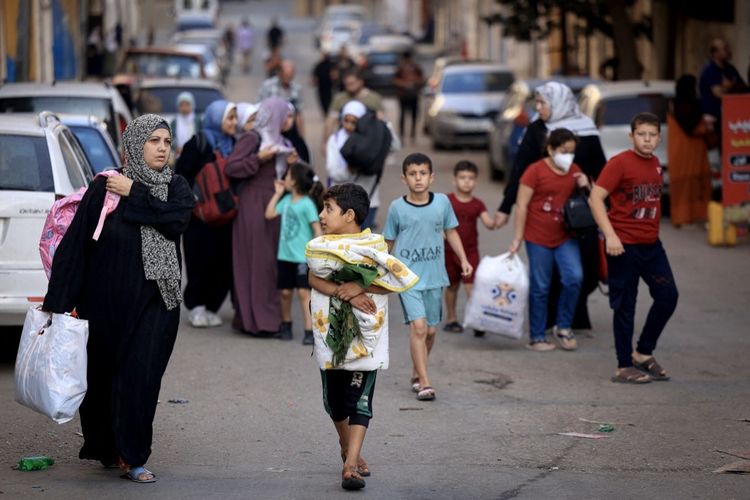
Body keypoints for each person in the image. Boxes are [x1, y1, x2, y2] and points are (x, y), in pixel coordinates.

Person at [43, 114, 194, 483]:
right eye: (154, 140)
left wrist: (135, 192)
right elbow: (76, 245)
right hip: (104, 304)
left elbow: (175, 220)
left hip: (157, 302)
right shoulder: (106, 186)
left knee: (141, 378)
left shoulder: (175, 187)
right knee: (103, 377)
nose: (162, 148)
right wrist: (57, 303)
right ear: (136, 144)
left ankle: (134, 454)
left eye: (166, 141)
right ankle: (108, 447)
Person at [306, 183, 417, 491]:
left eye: (329, 209)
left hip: (367, 337)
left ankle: (350, 465)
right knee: (334, 402)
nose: (322, 215)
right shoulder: (320, 248)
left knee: (360, 400)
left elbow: (391, 281)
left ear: (350, 215)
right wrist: (346, 293)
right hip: (331, 333)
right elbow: (313, 277)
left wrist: (362, 287)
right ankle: (346, 446)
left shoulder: (375, 248)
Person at [495, 81, 607, 332]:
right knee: (549, 272)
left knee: (587, 268)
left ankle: (574, 314)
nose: (538, 108)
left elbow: (602, 171)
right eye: (537, 102)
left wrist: (607, 205)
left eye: (543, 103)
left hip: (580, 211)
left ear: (560, 103)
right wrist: (505, 207)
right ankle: (550, 321)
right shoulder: (537, 129)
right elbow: (520, 170)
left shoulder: (586, 129)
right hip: (543, 209)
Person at [589, 112, 679, 384]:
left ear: (659, 138)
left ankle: (643, 352)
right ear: (632, 136)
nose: (647, 139)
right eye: (642, 134)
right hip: (623, 246)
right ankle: (623, 365)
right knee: (626, 306)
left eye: (652, 135)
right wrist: (610, 236)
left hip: (652, 246)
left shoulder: (656, 164)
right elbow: (595, 199)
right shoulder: (619, 163)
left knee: (668, 296)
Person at [383, 153, 473, 401]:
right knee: (419, 327)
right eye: (412, 174)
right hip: (407, 278)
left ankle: (416, 371)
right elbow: (388, 241)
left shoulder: (442, 203)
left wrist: (464, 259)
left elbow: (451, 232)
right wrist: (379, 271)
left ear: (431, 177)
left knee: (431, 331)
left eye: (423, 173)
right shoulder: (397, 208)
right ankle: (424, 382)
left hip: (434, 277)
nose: (418, 178)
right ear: (404, 179)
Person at [509, 129, 589, 351]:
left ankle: (563, 326)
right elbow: (522, 205)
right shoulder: (534, 171)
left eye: (571, 151)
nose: (568, 156)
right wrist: (518, 237)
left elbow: (591, 200)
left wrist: (586, 184)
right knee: (540, 286)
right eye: (564, 151)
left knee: (574, 277)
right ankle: (537, 336)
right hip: (537, 237)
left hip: (565, 235)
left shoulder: (575, 170)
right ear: (551, 149)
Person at [225, 97, 298, 336]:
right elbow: (232, 167)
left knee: (269, 263)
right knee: (256, 261)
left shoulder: (283, 142)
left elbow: (286, 178)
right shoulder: (253, 138)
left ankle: (267, 318)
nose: (289, 120)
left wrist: (292, 165)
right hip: (253, 205)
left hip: (274, 204)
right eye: (286, 115)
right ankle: (256, 321)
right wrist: (259, 158)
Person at [175, 100, 238, 328]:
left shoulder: (235, 145)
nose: (234, 122)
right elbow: (182, 174)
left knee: (223, 262)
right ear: (217, 118)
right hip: (200, 217)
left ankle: (212, 306)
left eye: (235, 118)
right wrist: (194, 200)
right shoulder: (199, 143)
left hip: (226, 216)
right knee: (199, 260)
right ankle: (197, 306)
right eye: (230, 118)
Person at [264, 162, 323, 344]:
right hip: (284, 256)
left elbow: (317, 229)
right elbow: (269, 214)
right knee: (285, 293)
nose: (285, 178)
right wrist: (278, 193)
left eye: (288, 176)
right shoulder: (286, 201)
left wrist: (317, 252)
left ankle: (309, 330)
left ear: (295, 181)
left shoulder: (307, 204)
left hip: (302, 258)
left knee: (304, 293)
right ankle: (286, 324)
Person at [326, 100, 398, 230]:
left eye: (354, 122)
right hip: (341, 204)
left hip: (369, 201)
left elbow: (394, 146)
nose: (349, 125)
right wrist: (349, 170)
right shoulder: (335, 140)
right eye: (346, 120)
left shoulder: (374, 138)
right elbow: (333, 172)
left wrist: (385, 125)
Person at [442, 161, 495, 335]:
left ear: (476, 182)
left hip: (471, 253)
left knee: (472, 287)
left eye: (470, 178)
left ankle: (478, 321)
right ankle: (451, 319)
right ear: (454, 180)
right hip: (449, 252)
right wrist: (440, 232)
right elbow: (437, 221)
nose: (466, 181)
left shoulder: (478, 204)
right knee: (452, 286)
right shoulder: (447, 201)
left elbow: (489, 223)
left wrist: (499, 219)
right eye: (462, 177)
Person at [667, 75, 712, 227]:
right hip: (693, 151)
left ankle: (681, 217)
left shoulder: (673, 104)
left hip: (679, 152)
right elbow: (691, 126)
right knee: (696, 183)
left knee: (683, 186)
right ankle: (698, 214)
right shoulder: (692, 105)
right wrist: (706, 126)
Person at [699, 37, 746, 146]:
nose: (728, 51)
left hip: (732, 120)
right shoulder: (710, 71)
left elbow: (742, 87)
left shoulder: (730, 69)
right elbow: (718, 93)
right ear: (715, 53)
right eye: (724, 49)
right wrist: (731, 87)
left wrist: (730, 85)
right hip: (715, 121)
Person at [324, 69, 385, 148]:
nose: (349, 87)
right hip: (345, 143)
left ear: (361, 82)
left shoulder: (374, 98)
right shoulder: (339, 99)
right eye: (347, 84)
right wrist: (325, 142)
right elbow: (330, 121)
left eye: (352, 83)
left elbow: (381, 121)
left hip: (368, 142)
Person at [393, 50, 424, 142]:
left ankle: (412, 135)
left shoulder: (416, 67)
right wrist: (404, 84)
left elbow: (422, 79)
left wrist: (414, 82)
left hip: (413, 95)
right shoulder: (400, 68)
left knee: (414, 116)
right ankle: (402, 135)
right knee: (403, 116)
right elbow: (394, 80)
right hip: (403, 96)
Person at [170, 91, 200, 158]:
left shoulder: (197, 121)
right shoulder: (174, 122)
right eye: (182, 105)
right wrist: (177, 148)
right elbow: (170, 138)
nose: (184, 107)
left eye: (187, 104)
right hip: (179, 155)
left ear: (192, 105)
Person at [312, 50, 334, 117]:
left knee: (329, 102)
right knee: (322, 102)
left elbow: (334, 75)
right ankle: (325, 115)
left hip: (329, 87)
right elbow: (314, 76)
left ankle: (328, 114)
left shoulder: (331, 65)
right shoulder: (319, 65)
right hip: (321, 87)